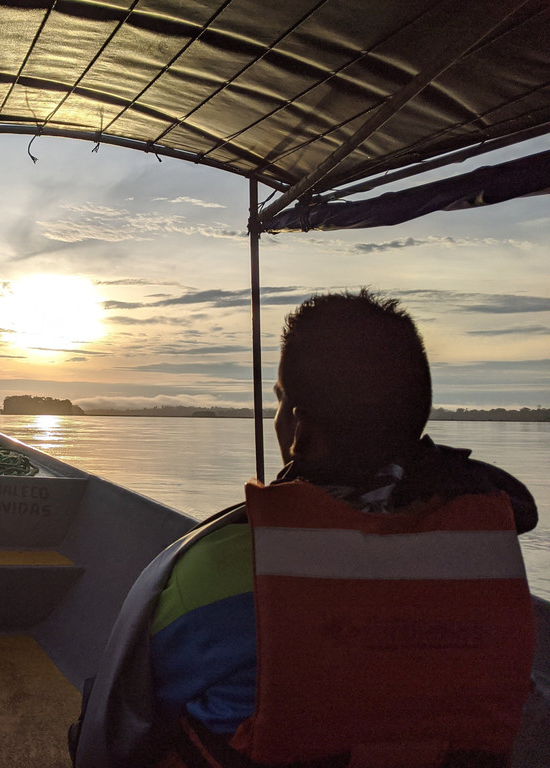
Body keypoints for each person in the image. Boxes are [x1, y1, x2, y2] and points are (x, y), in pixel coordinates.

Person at [71, 290, 537, 768]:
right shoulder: (491, 562)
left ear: (299, 431)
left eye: (278, 400)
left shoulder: (218, 571)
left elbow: (131, 708)